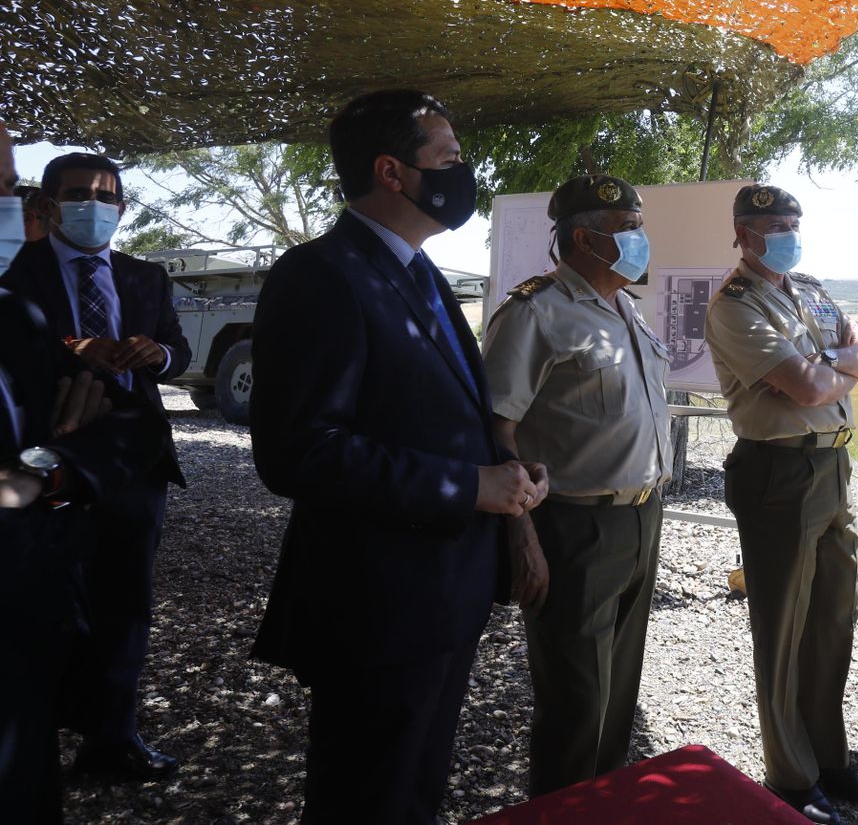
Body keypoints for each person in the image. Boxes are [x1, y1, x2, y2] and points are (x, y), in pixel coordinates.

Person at [249, 89, 544, 824]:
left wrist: (507, 479)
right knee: (367, 795)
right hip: (375, 606)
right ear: (391, 171)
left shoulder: (420, 272)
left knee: (415, 787)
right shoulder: (320, 274)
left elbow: (440, 412)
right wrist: (467, 485)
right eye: (449, 158)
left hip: (442, 594)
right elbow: (298, 452)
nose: (463, 173)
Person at [0, 151, 192, 779]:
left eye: (106, 196)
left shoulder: (145, 276)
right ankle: (31, 739)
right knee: (42, 597)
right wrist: (69, 350)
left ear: (122, 208)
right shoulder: (16, 271)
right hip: (44, 462)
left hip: (137, 463)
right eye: (79, 194)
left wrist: (157, 353)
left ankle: (112, 737)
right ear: (48, 205)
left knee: (125, 600)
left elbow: (179, 350)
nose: (94, 206)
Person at [480, 173, 673, 795]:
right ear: (585, 239)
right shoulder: (535, 312)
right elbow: (494, 431)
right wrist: (522, 536)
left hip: (641, 515)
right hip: (572, 525)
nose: (641, 238)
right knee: (576, 701)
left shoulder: (625, 307)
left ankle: (602, 804)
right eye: (628, 228)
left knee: (617, 694)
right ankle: (561, 807)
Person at [704, 183, 858, 825]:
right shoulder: (734, 305)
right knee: (782, 627)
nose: (788, 235)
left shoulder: (809, 288)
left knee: (833, 618)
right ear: (743, 234)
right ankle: (790, 775)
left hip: (832, 465)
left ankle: (830, 760)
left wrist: (829, 360)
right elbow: (807, 388)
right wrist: (839, 367)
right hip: (778, 472)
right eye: (775, 227)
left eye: (794, 223)